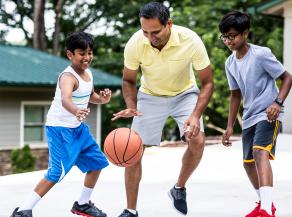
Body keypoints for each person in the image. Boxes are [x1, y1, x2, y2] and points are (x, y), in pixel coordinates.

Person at [111, 2, 214, 217]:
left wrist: (195, 115)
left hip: (185, 94)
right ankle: (130, 210)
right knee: (132, 150)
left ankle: (178, 188)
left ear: (169, 24)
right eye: (145, 31)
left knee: (198, 140)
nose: (150, 37)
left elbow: (208, 83)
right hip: (150, 96)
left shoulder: (190, 40)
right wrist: (131, 106)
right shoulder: (135, 43)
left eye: (155, 31)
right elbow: (128, 81)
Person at [11, 32, 111, 217]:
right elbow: (66, 99)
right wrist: (76, 111)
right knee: (56, 172)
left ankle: (82, 204)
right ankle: (23, 210)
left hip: (78, 129)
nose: (87, 57)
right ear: (70, 54)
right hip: (60, 129)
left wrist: (102, 99)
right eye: (82, 53)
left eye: (90, 53)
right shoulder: (68, 76)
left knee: (97, 162)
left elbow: (90, 96)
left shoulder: (88, 74)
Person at [219, 11, 292, 217]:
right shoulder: (230, 63)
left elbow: (287, 78)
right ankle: (264, 203)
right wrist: (229, 126)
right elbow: (235, 95)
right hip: (250, 115)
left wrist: (277, 103)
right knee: (248, 163)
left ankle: (267, 210)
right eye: (224, 36)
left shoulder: (260, 54)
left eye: (232, 35)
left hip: (268, 114)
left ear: (245, 34)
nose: (228, 40)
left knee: (260, 152)